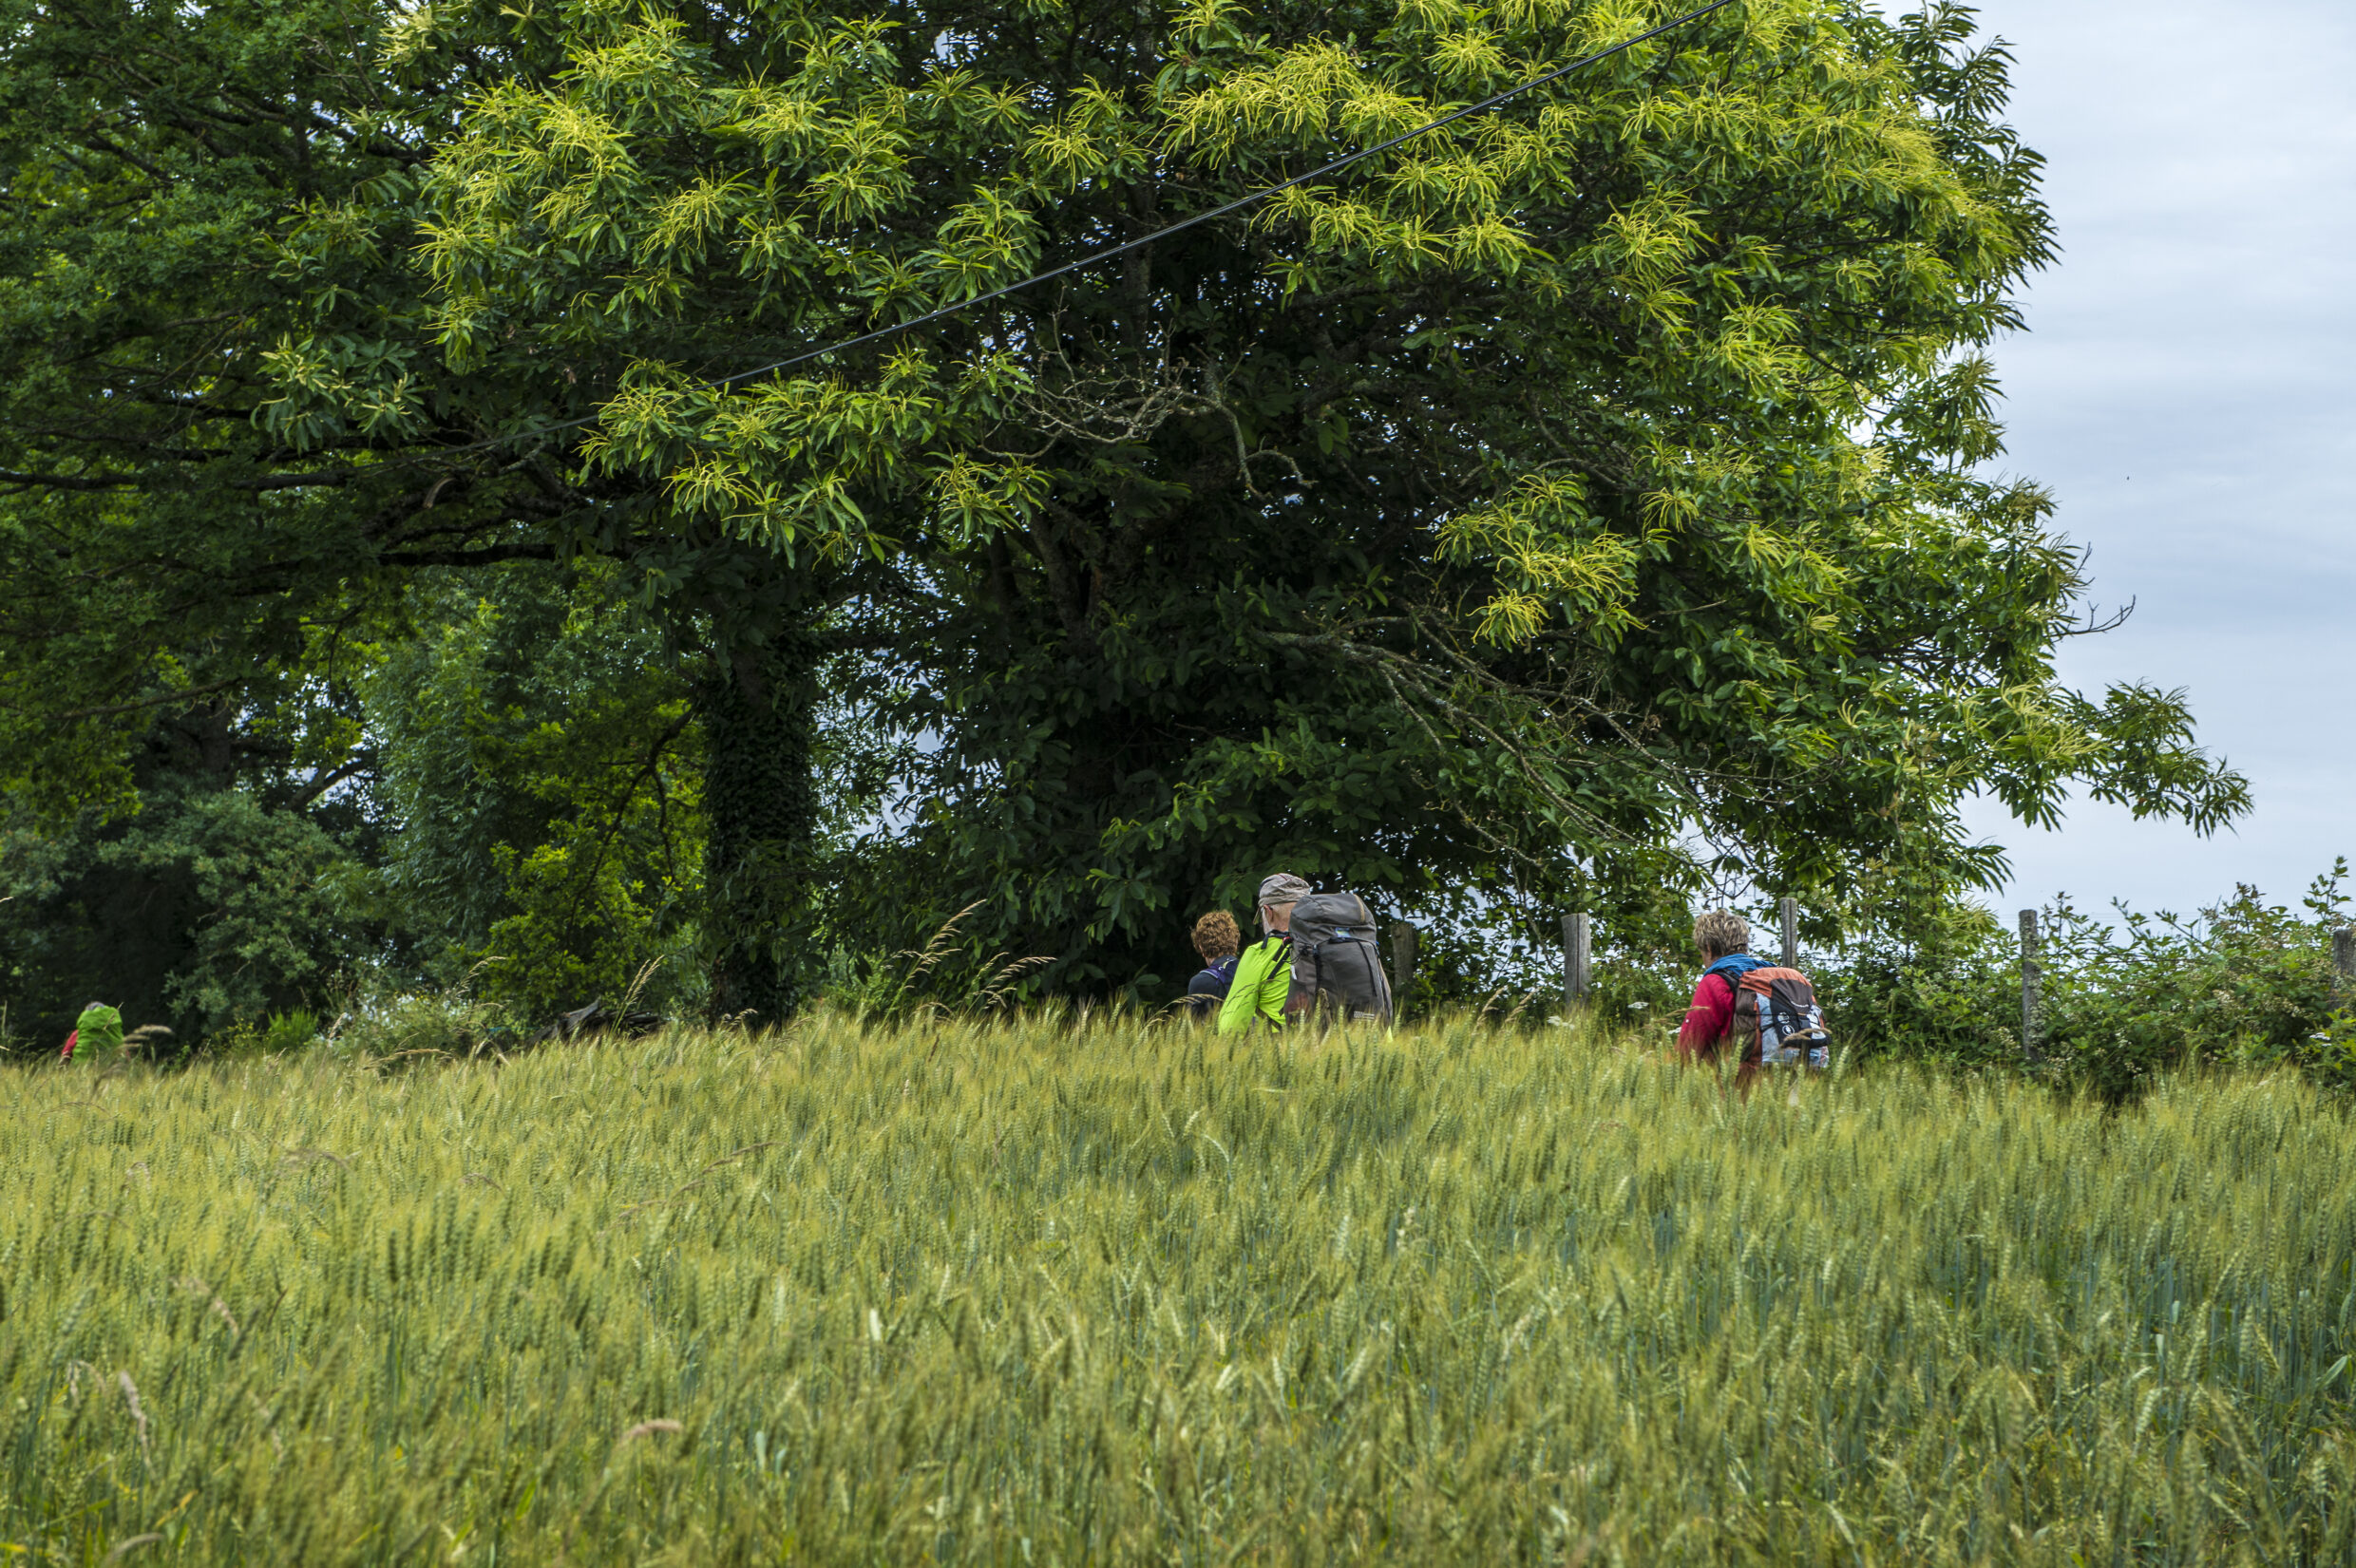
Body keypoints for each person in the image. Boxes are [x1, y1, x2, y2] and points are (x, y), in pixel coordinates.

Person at [1216, 873, 1311, 1034]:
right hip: (1335, 1045)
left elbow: (1230, 1026)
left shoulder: (1258, 953)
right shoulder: (1327, 947)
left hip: (1281, 1047)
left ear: (1268, 912)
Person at [1676, 910, 1763, 1070]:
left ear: (1709, 949)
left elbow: (1688, 1050)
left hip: (1736, 1082)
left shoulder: (1715, 983)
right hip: (1794, 1079)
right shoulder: (1775, 980)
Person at [1183, 911, 1242, 1017]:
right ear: (1236, 942)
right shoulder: (1250, 970)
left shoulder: (1200, 982)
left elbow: (1194, 1025)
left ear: (1201, 947)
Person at [59, 1000, 123, 1064]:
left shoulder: (79, 1034)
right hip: (111, 1068)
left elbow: (65, 1055)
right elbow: (124, 1054)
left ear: (86, 1016)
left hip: (82, 1067)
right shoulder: (116, 1035)